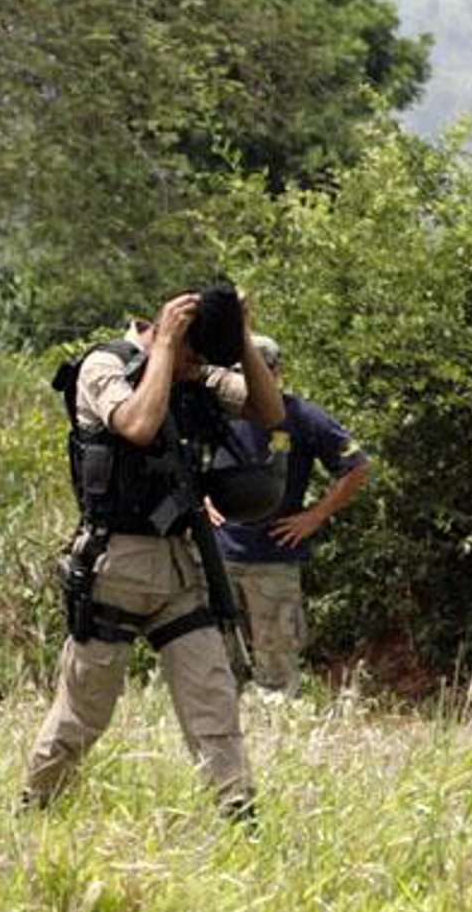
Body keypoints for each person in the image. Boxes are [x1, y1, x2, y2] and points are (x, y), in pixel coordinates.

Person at [23, 283, 285, 816]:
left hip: (178, 567)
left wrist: (240, 338)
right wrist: (165, 347)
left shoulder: (197, 373)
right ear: (166, 330)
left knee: (213, 694)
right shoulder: (105, 366)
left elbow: (269, 410)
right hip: (115, 565)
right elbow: (138, 426)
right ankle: (36, 805)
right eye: (192, 356)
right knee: (85, 707)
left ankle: (237, 811)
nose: (195, 370)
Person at [213, 337, 371, 698]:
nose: (247, 380)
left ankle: (277, 728)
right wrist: (203, 498)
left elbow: (357, 465)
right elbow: (188, 456)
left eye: (256, 371)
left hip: (273, 558)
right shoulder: (218, 413)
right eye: (238, 372)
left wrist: (315, 516)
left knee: (277, 670)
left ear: (275, 371)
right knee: (217, 664)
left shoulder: (300, 415)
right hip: (219, 555)